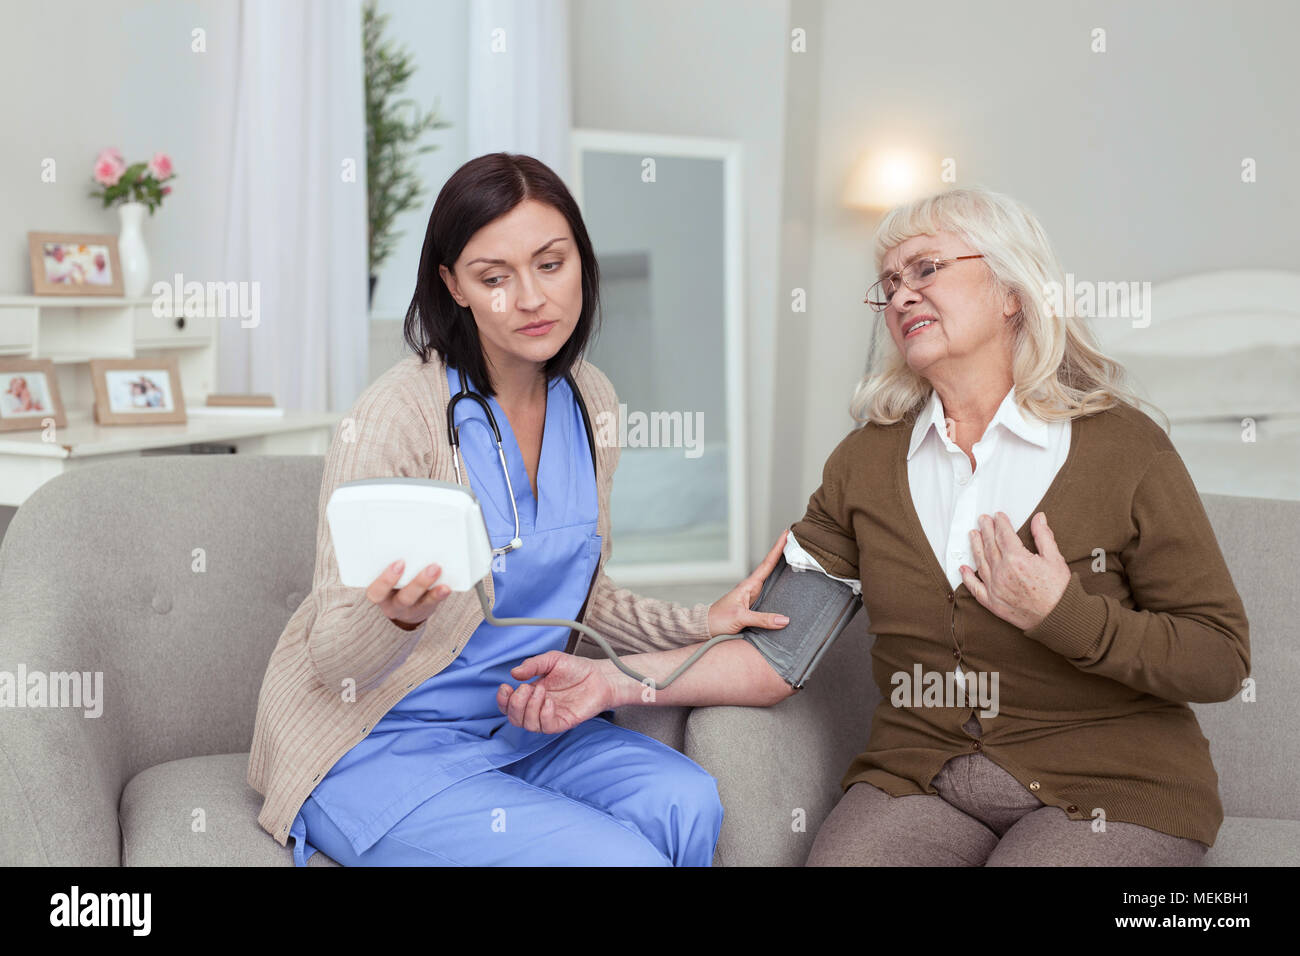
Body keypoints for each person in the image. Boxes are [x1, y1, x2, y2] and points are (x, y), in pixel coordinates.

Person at [498, 186, 1250, 866]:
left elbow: (1220, 658)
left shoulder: (1123, 446)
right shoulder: (865, 463)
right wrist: (604, 679)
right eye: (888, 284)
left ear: (1012, 290)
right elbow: (777, 655)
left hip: (1110, 785)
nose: (900, 296)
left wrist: (1063, 615)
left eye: (925, 270)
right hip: (924, 781)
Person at [246, 152, 789, 866]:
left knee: (688, 804)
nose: (530, 298)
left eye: (550, 264)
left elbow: (576, 594)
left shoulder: (591, 399)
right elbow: (332, 653)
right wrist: (398, 617)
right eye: (493, 277)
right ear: (454, 286)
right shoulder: (396, 417)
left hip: (518, 723)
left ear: (582, 264)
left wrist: (704, 621)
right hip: (377, 741)